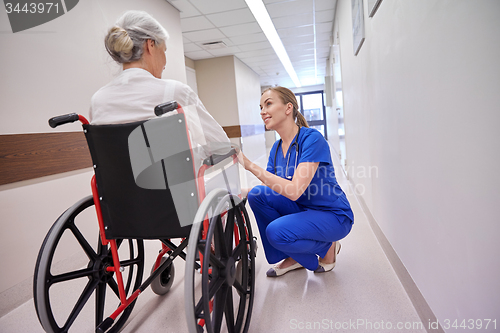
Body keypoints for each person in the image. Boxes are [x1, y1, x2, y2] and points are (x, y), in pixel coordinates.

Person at [89, 10, 231, 166]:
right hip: (173, 190)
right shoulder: (175, 93)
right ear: (150, 45)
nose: (165, 63)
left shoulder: (97, 100)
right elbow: (221, 146)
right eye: (164, 51)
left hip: (115, 191)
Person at [239, 87, 354, 277]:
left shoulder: (312, 139)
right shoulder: (276, 148)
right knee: (257, 195)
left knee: (275, 232)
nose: (262, 111)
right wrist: (237, 191)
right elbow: (271, 188)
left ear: (288, 108)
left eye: (268, 104)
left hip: (332, 215)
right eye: (261, 107)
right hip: (303, 209)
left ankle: (327, 247)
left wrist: (250, 165)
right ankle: (294, 255)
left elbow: (293, 191)